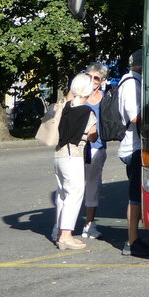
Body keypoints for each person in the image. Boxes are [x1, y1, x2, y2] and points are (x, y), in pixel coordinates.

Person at [51, 72, 97, 250]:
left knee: (62, 194)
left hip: (58, 154)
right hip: (73, 154)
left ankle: (59, 231)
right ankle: (66, 235)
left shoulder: (64, 106)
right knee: (74, 194)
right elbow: (93, 136)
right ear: (89, 90)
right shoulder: (86, 112)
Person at [117, 48, 149, 257]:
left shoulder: (132, 81)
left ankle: (134, 239)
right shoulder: (132, 83)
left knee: (137, 195)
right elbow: (134, 116)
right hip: (134, 147)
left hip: (135, 145)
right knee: (135, 197)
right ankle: (131, 241)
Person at [79, 62, 109, 240]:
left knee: (93, 185)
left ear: (102, 80)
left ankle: (89, 224)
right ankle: (61, 226)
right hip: (76, 146)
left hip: (96, 146)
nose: (92, 80)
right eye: (88, 76)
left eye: (96, 78)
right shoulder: (77, 94)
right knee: (71, 187)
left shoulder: (104, 98)